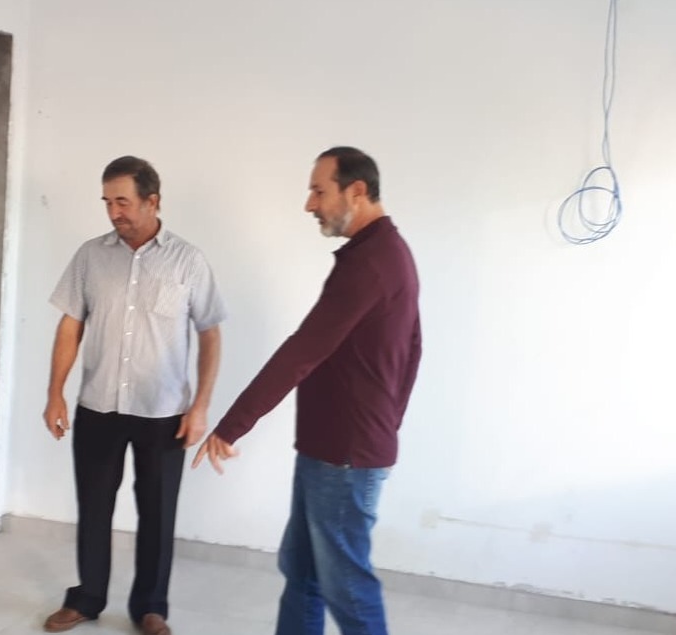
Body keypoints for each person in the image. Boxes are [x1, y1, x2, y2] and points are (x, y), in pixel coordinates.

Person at [194, 147, 421, 635]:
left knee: (348, 589)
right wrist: (386, 425)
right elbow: (414, 349)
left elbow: (303, 350)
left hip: (345, 455)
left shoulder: (372, 263)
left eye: (319, 191)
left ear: (356, 192)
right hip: (334, 449)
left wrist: (233, 425)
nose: (309, 205)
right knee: (302, 572)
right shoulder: (386, 253)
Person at [43, 156, 226, 635]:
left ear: (153, 201)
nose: (113, 212)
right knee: (93, 508)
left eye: (122, 202)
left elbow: (209, 333)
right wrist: (55, 393)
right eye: (107, 202)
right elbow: (70, 325)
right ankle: (86, 599)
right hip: (98, 406)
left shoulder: (188, 261)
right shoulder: (90, 256)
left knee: (158, 514)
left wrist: (201, 406)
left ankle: (151, 608)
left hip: (163, 412)